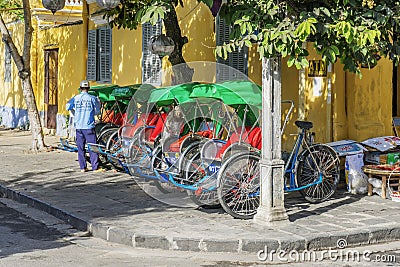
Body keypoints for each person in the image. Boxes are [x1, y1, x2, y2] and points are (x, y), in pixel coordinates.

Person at [66, 80, 105, 172]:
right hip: (89, 126)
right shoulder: (92, 98)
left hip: (79, 126)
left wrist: (75, 112)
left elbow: (67, 107)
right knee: (92, 147)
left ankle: (83, 167)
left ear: (80, 88)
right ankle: (95, 167)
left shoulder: (75, 98)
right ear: (89, 88)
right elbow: (98, 110)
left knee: (80, 148)